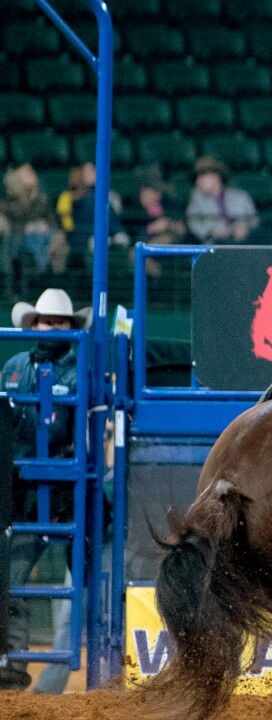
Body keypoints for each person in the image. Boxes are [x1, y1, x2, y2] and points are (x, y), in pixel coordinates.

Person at [0, 288, 89, 692]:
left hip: (67, 485)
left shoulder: (80, 367)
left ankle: (57, 678)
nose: (53, 327)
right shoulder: (15, 366)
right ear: (33, 324)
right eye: (46, 320)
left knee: (84, 584)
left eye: (60, 321)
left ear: (71, 326)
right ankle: (12, 669)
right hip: (21, 487)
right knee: (13, 579)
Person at [1, 164, 68, 279]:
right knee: (34, 239)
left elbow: (53, 221)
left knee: (59, 238)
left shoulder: (42, 199)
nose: (32, 175)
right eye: (27, 173)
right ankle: (40, 275)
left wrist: (44, 226)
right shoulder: (9, 201)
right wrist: (29, 227)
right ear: (17, 178)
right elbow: (11, 223)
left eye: (32, 172)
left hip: (45, 236)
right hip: (20, 239)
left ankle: (55, 277)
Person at [185, 156, 258, 243]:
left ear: (216, 177)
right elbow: (194, 225)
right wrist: (212, 232)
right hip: (213, 245)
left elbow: (254, 220)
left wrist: (245, 227)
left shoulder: (240, 196)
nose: (198, 181)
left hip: (241, 243)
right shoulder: (196, 198)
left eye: (202, 177)